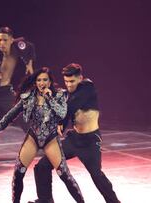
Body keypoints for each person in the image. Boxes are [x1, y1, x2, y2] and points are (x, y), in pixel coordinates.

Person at [0, 67, 84, 203]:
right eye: (39, 80)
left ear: (50, 82)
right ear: (35, 82)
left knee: (64, 175)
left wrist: (49, 98)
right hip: (33, 137)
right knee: (18, 173)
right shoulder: (29, 96)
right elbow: (13, 112)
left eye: (45, 80)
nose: (41, 83)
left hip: (51, 138)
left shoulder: (60, 95)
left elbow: (62, 114)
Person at [29, 64, 120, 203]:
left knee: (96, 175)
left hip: (90, 142)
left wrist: (61, 123)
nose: (69, 85)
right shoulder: (68, 93)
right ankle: (45, 199)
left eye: (72, 81)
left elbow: (70, 107)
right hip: (74, 139)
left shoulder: (87, 88)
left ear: (80, 78)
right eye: (66, 81)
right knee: (42, 166)